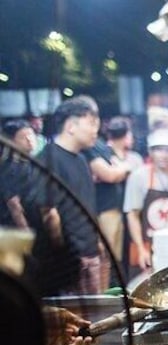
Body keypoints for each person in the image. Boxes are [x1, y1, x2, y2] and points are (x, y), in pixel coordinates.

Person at [37, 96, 102, 295]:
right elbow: (48, 213)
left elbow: (87, 204)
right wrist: (67, 256)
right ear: (71, 126)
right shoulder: (48, 159)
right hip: (73, 264)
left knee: (95, 320)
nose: (95, 130)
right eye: (91, 123)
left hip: (91, 253)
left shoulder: (82, 160)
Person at [123, 129, 168, 271]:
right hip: (147, 244)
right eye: (159, 150)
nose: (164, 155)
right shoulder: (138, 176)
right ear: (151, 152)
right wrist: (141, 248)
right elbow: (133, 215)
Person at [85, 116, 143, 287]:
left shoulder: (108, 151)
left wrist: (119, 169)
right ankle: (104, 294)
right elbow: (110, 175)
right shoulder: (96, 149)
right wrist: (125, 169)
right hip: (106, 209)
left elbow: (114, 171)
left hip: (119, 210)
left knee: (115, 257)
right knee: (106, 256)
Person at [0, 119, 38, 228]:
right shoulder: (10, 167)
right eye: (23, 137)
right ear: (11, 141)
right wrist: (25, 231)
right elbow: (14, 204)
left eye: (31, 135)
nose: (30, 140)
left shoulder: (33, 162)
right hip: (14, 228)